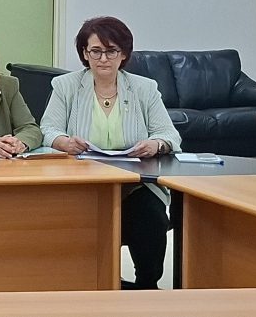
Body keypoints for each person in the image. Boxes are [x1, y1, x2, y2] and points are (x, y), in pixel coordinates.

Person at [40, 16, 183, 289]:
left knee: (151, 214)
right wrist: (64, 142)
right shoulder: (66, 85)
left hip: (136, 182)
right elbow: (47, 129)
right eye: (95, 51)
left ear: (124, 54)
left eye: (111, 51)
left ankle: (146, 286)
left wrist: (155, 144)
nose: (103, 59)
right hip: (82, 183)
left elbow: (169, 135)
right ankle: (86, 282)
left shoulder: (144, 88)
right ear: (85, 53)